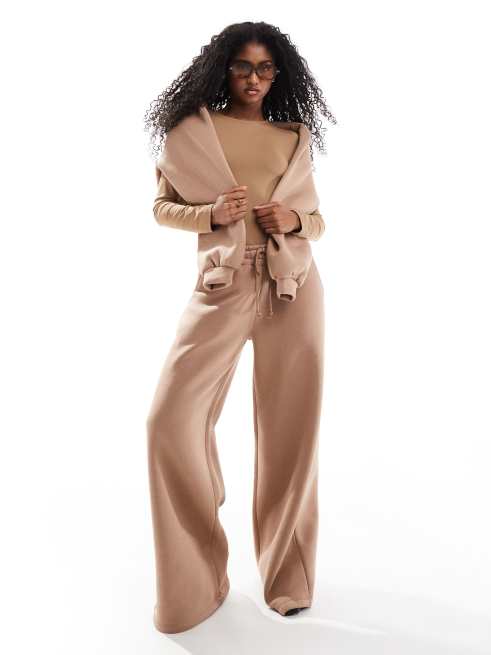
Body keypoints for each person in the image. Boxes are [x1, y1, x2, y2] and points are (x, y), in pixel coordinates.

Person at [143, 20, 336, 634]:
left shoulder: (293, 136)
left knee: (291, 433)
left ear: (279, 75)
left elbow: (318, 220)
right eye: (244, 67)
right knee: (169, 420)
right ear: (223, 68)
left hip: (293, 287)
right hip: (222, 286)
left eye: (266, 69)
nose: (254, 79)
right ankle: (195, 585)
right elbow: (161, 207)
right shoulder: (192, 131)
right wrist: (209, 212)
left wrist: (294, 220)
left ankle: (288, 581)